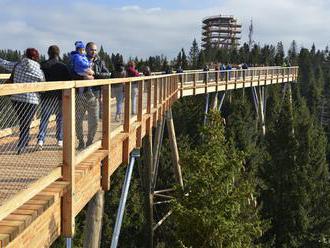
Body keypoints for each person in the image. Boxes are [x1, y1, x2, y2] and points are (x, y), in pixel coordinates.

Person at [75, 42, 111, 150]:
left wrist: (94, 74)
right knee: (78, 120)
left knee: (94, 120)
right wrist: (83, 77)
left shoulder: (100, 62)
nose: (94, 52)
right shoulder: (79, 60)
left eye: (95, 50)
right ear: (86, 50)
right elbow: (72, 73)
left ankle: (89, 141)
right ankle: (81, 141)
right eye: (91, 50)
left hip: (94, 95)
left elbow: (108, 74)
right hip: (80, 95)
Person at [10, 48, 45, 154]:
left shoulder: (17, 65)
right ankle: (21, 145)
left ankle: (24, 142)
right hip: (31, 100)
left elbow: (5, 63)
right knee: (26, 122)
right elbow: (43, 82)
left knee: (23, 121)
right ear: (35, 57)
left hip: (16, 98)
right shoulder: (38, 69)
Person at [36, 45, 72, 150]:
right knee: (60, 118)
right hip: (60, 97)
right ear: (58, 53)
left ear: (48, 53)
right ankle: (59, 140)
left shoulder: (42, 65)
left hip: (46, 96)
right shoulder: (63, 66)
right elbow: (69, 81)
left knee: (44, 118)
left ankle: (41, 140)